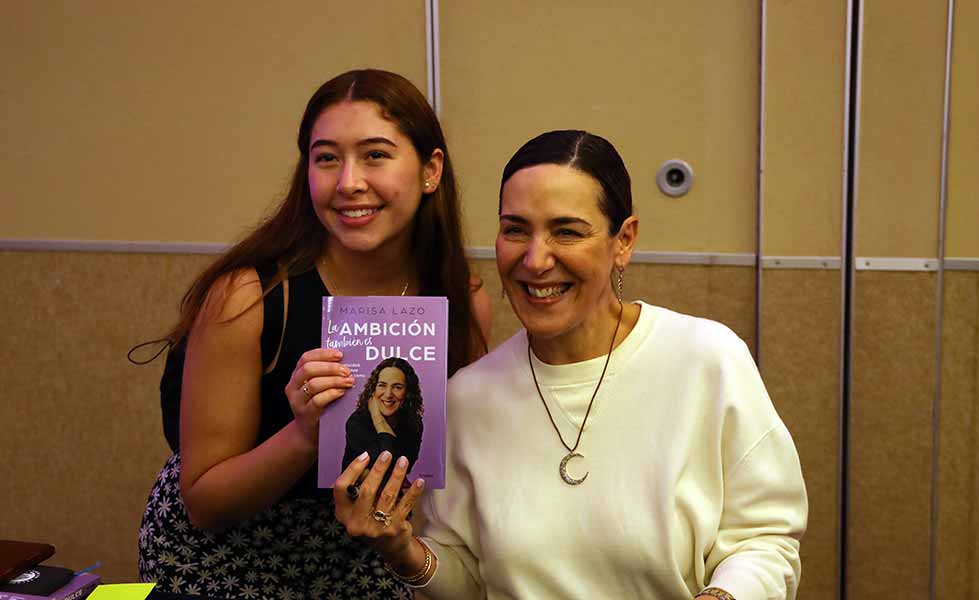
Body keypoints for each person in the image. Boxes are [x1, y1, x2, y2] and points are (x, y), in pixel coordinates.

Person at [333, 130, 807, 599]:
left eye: (567, 232)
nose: (536, 260)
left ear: (624, 241)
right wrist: (403, 551)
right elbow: (471, 578)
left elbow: (765, 540)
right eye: (515, 230)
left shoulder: (706, 360)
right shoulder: (467, 397)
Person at [136, 68, 492, 598]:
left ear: (430, 170)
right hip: (227, 558)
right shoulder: (249, 297)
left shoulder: (461, 302)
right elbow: (204, 503)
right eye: (326, 158)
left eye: (375, 155)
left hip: (371, 554)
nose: (348, 182)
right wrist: (306, 435)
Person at [342, 357, 424, 478]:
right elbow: (385, 465)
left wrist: (377, 417)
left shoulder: (414, 423)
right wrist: (376, 416)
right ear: (373, 389)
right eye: (382, 385)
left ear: (408, 392)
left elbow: (405, 467)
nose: (388, 394)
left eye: (397, 387)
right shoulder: (357, 422)